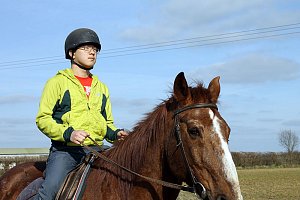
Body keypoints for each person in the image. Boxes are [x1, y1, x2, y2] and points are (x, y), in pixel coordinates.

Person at [34, 28, 128, 200]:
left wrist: (116, 134)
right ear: (71, 53)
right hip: (66, 151)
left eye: (95, 49)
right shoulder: (57, 83)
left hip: (98, 150)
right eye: (85, 48)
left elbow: (106, 123)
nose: (92, 52)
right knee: (51, 191)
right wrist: (69, 134)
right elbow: (43, 119)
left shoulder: (102, 88)